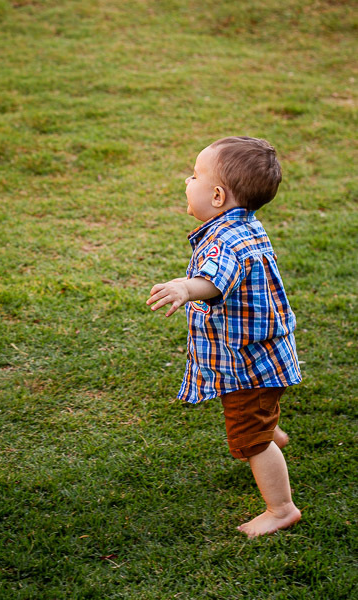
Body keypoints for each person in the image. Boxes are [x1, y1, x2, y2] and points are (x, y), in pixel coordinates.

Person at [146, 136, 302, 538]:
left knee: (251, 441)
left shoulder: (225, 242)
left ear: (217, 195)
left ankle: (280, 507)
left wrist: (185, 287)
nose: (187, 179)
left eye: (194, 175)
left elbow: (213, 279)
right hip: (263, 354)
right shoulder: (245, 224)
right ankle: (270, 428)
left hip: (249, 364)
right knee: (254, 414)